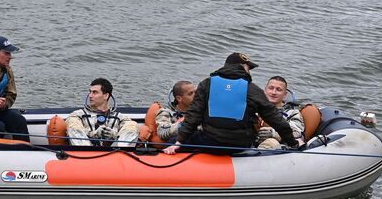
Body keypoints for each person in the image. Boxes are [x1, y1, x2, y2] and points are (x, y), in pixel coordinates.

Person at [163, 52, 300, 154]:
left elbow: (194, 115)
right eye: (248, 67)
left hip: (209, 141)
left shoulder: (207, 84)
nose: (249, 71)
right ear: (242, 67)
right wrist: (292, 143)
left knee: (171, 142)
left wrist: (178, 142)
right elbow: (275, 119)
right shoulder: (252, 89)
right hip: (240, 144)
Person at [66, 78, 137, 147]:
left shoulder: (121, 118)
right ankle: (85, 150)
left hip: (114, 153)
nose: (90, 96)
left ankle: (121, 152)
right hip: (85, 154)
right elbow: (75, 131)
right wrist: (94, 134)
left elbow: (129, 133)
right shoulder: (78, 115)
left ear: (106, 95)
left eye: (94, 92)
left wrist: (113, 136)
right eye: (90, 92)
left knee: (132, 125)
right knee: (72, 123)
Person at [255, 76, 304, 150]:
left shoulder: (292, 112)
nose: (273, 92)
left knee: (271, 142)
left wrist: (274, 134)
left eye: (278, 90)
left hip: (277, 146)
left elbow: (297, 132)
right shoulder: (254, 107)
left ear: (285, 94)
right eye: (271, 88)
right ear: (265, 90)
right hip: (251, 140)